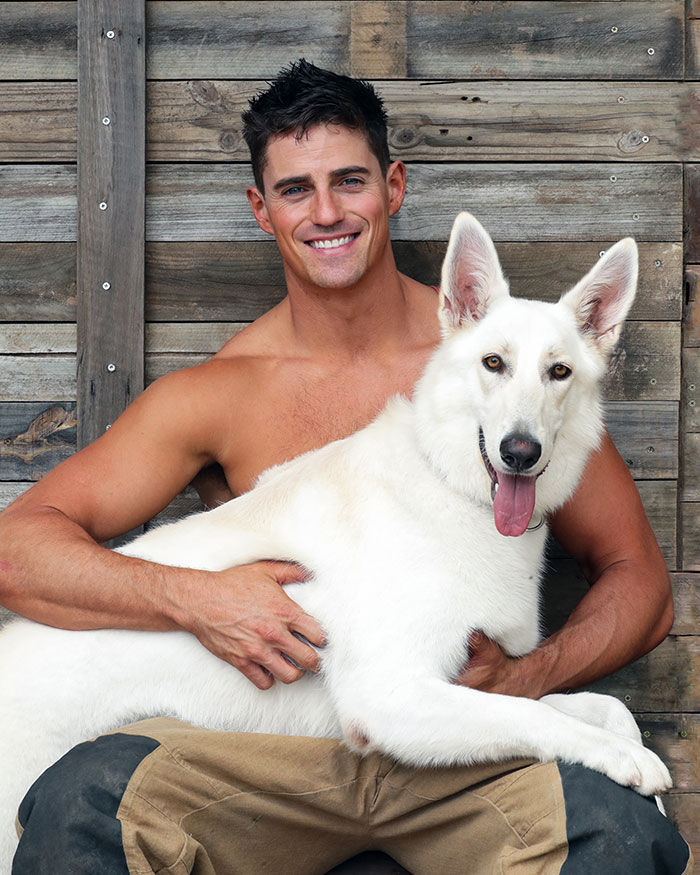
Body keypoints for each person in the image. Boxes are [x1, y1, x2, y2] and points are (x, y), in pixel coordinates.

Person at [0, 59, 691, 874]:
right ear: (262, 210)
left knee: (624, 836)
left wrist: (527, 676)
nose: (327, 212)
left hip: (450, 758)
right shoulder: (218, 393)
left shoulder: (516, 371)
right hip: (256, 763)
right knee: (79, 809)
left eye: (350, 180)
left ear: (393, 186)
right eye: (296, 189)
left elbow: (639, 586)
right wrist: (198, 598)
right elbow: (16, 549)